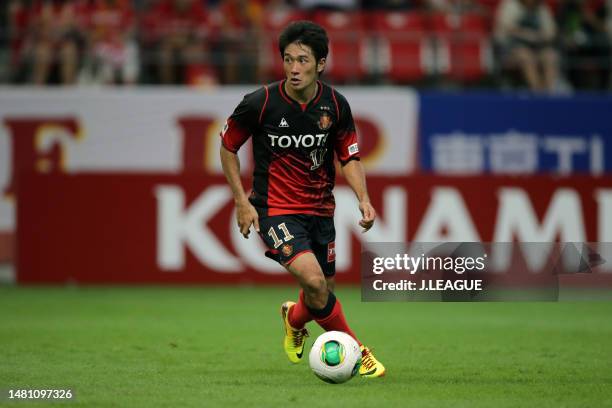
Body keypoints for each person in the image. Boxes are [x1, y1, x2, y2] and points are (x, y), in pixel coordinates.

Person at [219, 20, 386, 378]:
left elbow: (349, 157)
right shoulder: (259, 103)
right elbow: (228, 146)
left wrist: (364, 199)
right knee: (313, 282)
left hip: (321, 210)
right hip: (274, 209)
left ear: (320, 64)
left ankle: (293, 320)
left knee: (320, 292)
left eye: (303, 61)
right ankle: (358, 351)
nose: (294, 68)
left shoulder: (335, 105)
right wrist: (240, 201)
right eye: (288, 59)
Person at [494, 0, 560, 91]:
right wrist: (526, 34)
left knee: (551, 56)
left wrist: (540, 36)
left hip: (537, 47)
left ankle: (549, 92)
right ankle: (537, 91)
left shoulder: (541, 8)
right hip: (512, 48)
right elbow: (505, 27)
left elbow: (551, 31)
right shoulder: (510, 4)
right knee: (526, 56)